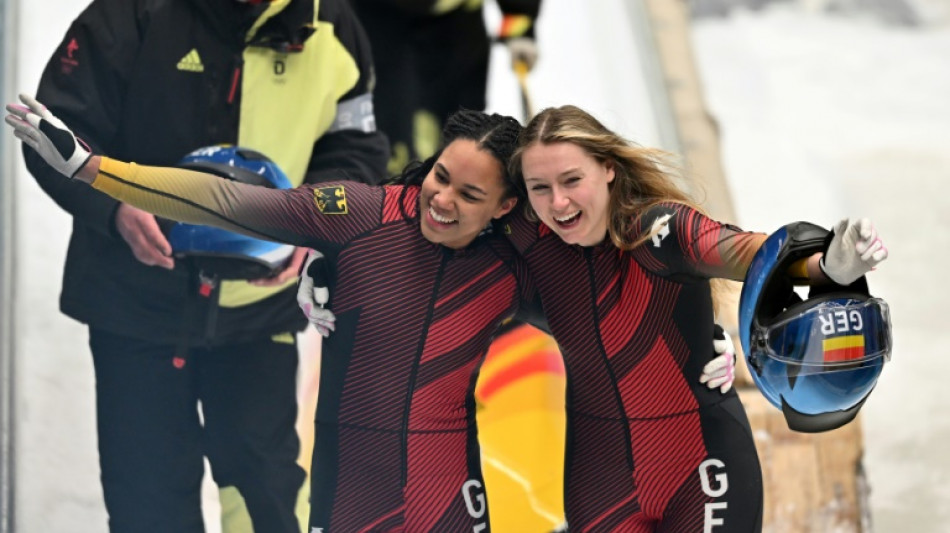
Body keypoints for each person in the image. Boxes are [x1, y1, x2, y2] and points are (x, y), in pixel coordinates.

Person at [7, 99, 737, 531]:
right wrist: (94, 170)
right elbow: (229, 200)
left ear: (508, 208)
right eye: (440, 177)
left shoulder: (517, 258)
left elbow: (618, 300)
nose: (441, 200)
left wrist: (712, 345)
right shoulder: (360, 216)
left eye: (468, 196)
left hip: (451, 497)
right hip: (349, 492)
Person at [18, 0, 389, 530]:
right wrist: (114, 208)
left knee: (266, 489)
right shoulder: (130, 13)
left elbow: (357, 146)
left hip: (259, 311)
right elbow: (51, 132)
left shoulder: (332, 24)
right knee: (147, 494)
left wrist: (316, 225)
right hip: (135, 304)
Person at [503, 104, 888, 531]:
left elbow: (751, 254)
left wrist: (828, 268)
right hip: (598, 480)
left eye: (572, 180)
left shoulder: (659, 231)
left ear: (608, 169)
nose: (558, 202)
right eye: (540, 187)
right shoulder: (532, 259)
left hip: (703, 467)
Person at [350, 0, 542, 173]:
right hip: (380, 22)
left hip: (457, 28)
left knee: (461, 134)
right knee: (391, 135)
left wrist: (520, 21)